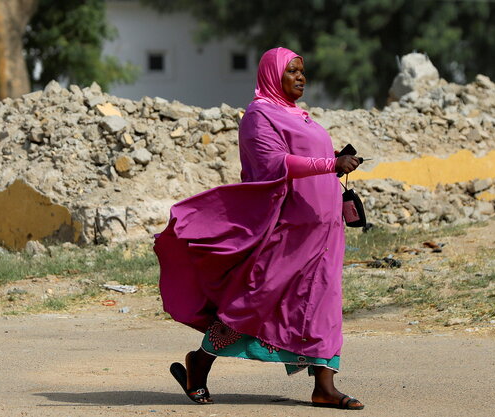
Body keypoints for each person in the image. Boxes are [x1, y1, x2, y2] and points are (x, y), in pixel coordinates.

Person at [153, 47, 364, 410]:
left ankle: (324, 386)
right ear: (272, 75)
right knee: (253, 301)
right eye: (292, 71)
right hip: (287, 227)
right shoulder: (259, 115)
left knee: (323, 305)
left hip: (324, 230)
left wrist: (337, 170)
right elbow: (273, 163)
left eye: (303, 71)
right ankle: (199, 363)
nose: (301, 77)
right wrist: (330, 163)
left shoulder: (302, 116)